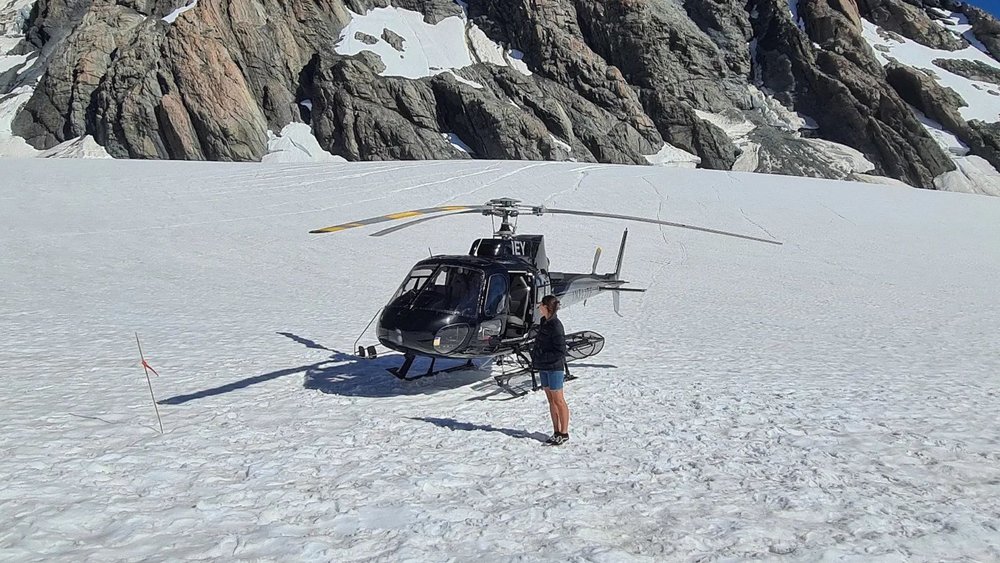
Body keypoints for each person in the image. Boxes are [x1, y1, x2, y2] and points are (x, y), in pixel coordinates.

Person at [532, 295, 569, 445]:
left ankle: (564, 432)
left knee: (559, 400)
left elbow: (560, 351)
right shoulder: (543, 321)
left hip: (554, 367)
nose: (539, 307)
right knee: (551, 400)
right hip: (544, 367)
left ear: (547, 307)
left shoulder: (556, 326)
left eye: (541, 304)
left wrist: (544, 357)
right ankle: (556, 431)